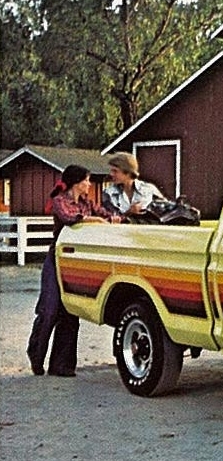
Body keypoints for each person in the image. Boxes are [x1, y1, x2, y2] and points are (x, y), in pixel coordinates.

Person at [27, 165, 120, 377]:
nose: (89, 184)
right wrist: (96, 220)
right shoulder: (61, 200)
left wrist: (118, 217)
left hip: (76, 260)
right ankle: (36, 353)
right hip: (57, 259)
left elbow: (107, 214)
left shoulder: (88, 202)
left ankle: (61, 365)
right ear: (77, 182)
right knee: (49, 310)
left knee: (70, 311)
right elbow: (70, 218)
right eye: (87, 180)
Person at [102, 152, 165, 218]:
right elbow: (109, 219)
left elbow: (166, 212)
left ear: (128, 172)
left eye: (115, 171)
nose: (111, 174)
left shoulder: (150, 190)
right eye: (111, 171)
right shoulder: (108, 193)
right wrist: (129, 213)